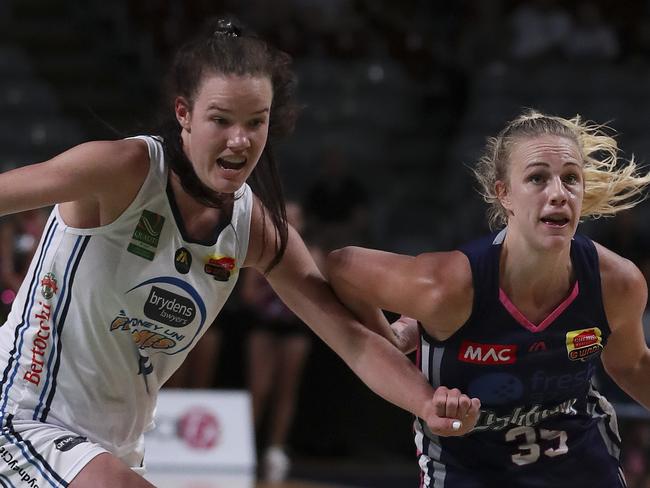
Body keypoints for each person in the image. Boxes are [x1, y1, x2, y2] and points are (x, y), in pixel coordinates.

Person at [0, 17, 480, 487]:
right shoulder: (122, 170)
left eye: (256, 122)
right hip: (23, 413)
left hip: (117, 445)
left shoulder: (257, 230)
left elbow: (354, 342)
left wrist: (426, 404)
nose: (239, 139)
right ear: (184, 114)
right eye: (221, 119)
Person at [326, 110, 650, 487]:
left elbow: (632, 366)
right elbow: (342, 267)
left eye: (570, 179)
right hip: (471, 468)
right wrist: (392, 335)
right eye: (537, 178)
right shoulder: (448, 288)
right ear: (504, 194)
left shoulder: (616, 283)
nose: (559, 194)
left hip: (578, 461)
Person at [241, 201, 318, 483]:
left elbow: (315, 295)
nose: (292, 223)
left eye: (297, 218)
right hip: (264, 327)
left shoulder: (313, 253)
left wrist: (288, 297)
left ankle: (275, 451)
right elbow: (248, 294)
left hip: (295, 330)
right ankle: (244, 448)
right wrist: (277, 292)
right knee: (259, 387)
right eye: (287, 218)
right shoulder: (261, 253)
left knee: (287, 389)